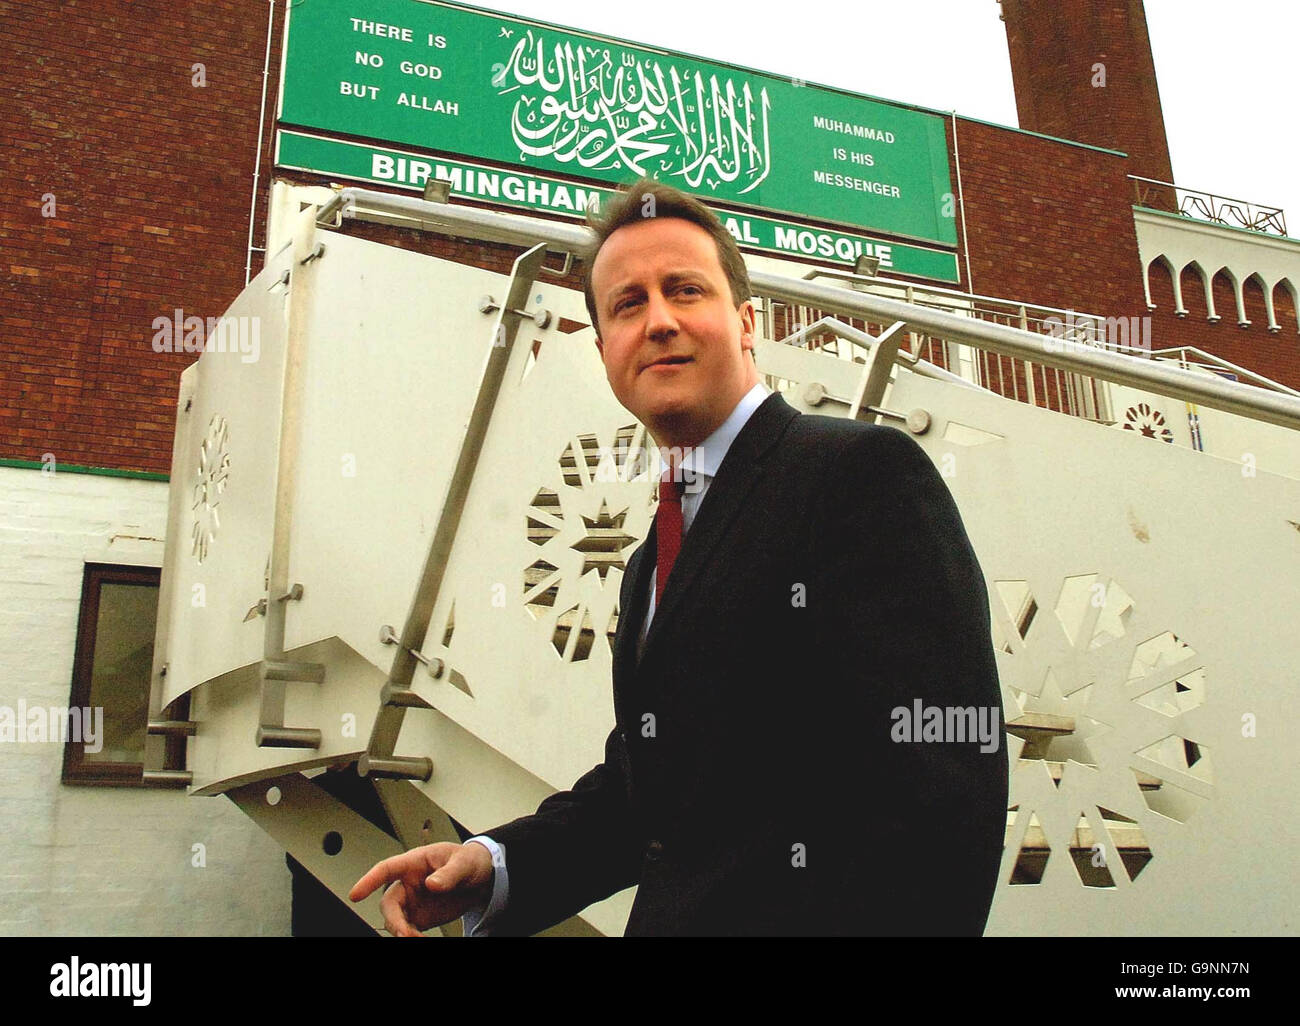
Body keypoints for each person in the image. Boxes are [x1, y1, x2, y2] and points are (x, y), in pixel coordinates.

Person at [350, 179, 1008, 936]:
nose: (659, 320)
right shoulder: (648, 562)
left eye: (685, 290)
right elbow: (649, 796)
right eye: (628, 305)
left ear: (747, 321)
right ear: (604, 351)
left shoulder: (859, 475)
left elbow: (943, 782)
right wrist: (496, 866)